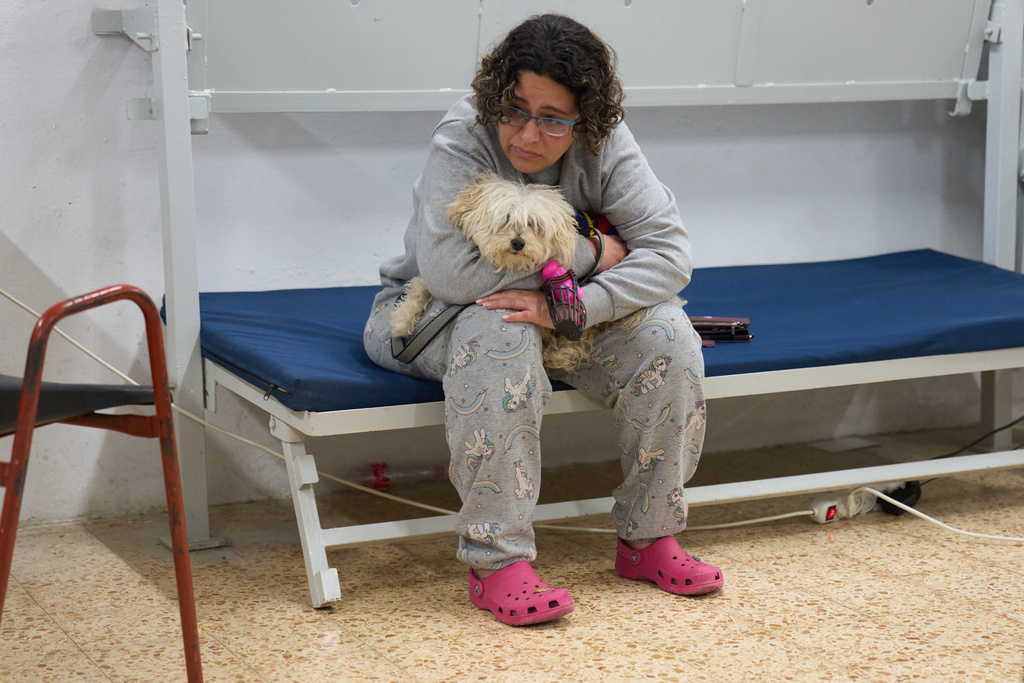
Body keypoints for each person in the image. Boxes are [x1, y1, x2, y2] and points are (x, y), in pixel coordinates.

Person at [364, 13, 722, 626]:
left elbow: (670, 256)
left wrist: (571, 306)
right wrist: (589, 255)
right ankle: (496, 561)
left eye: (553, 119)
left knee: (669, 336)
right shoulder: (462, 134)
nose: (528, 135)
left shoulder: (607, 140)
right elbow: (451, 274)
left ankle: (649, 536)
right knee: (501, 328)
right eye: (515, 109)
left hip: (563, 311)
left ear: (586, 119)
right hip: (431, 315)